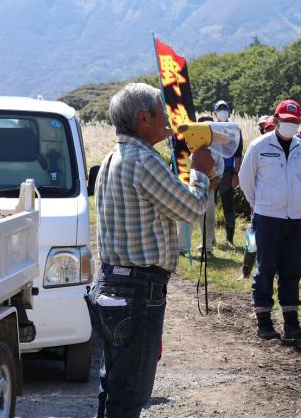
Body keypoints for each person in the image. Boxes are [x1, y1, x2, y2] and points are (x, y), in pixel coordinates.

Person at [88, 83, 213, 417]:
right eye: (161, 111)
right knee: (130, 394)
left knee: (114, 386)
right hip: (139, 289)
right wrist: (200, 171)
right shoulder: (144, 160)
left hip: (112, 283)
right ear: (144, 118)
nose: (167, 120)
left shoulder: (113, 156)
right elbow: (190, 210)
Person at [239, 99, 301, 340]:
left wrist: (297, 201)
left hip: (296, 218)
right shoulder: (259, 146)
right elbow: (246, 180)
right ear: (276, 119)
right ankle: (264, 321)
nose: (290, 125)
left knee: (293, 268)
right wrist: (261, 203)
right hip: (268, 217)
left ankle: (292, 322)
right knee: (266, 268)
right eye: (286, 120)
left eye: (295, 121)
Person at [237, 116, 276, 281]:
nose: (269, 132)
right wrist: (253, 200)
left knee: (277, 242)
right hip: (260, 203)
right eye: (267, 129)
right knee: (252, 238)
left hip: (280, 207)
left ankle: (276, 272)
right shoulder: (257, 147)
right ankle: (246, 271)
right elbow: (247, 177)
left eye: (272, 128)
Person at [180, 115, 224, 258]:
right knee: (187, 215)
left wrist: (215, 180)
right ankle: (181, 247)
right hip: (193, 186)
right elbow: (191, 166)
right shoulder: (194, 146)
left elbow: (220, 167)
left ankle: (207, 247)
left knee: (208, 217)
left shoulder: (217, 149)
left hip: (210, 188)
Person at [214, 99, 242, 245]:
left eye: (225, 109)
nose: (222, 112)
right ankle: (209, 238)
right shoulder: (210, 128)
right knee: (209, 205)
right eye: (220, 109)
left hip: (228, 171)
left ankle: (229, 239)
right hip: (212, 171)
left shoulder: (235, 129)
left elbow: (238, 154)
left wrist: (236, 174)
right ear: (215, 113)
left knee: (228, 204)